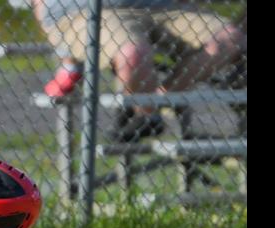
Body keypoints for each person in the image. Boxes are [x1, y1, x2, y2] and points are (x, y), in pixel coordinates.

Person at [32, 1, 246, 141]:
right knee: (133, 54)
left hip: (164, 7)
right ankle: (144, 113)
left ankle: (157, 101)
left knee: (231, 38)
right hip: (88, 10)